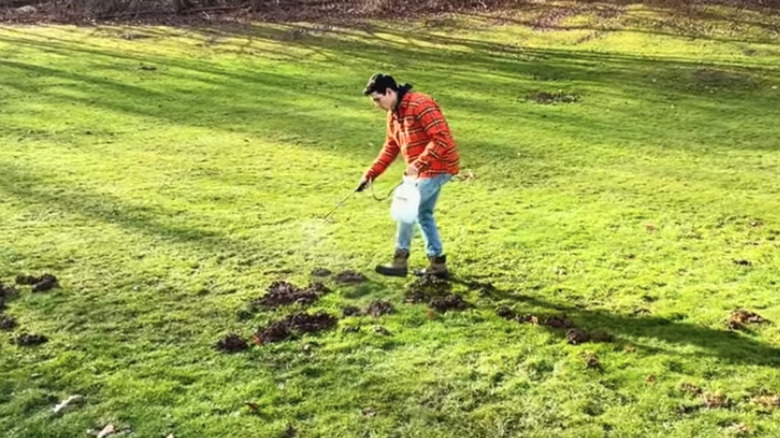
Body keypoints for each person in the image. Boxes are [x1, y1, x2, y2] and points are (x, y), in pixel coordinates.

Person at [357, 73, 460, 278]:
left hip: (439, 166)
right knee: (423, 213)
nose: (376, 104)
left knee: (407, 208)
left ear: (389, 91)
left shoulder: (421, 104)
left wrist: (418, 163)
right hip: (422, 171)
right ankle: (437, 263)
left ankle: (399, 261)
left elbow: (441, 138)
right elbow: (390, 148)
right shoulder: (393, 115)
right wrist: (370, 174)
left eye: (378, 99)